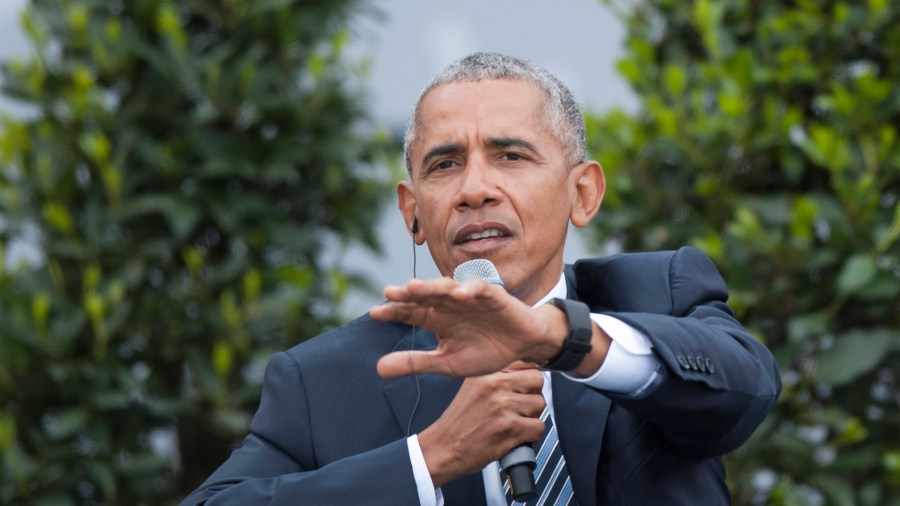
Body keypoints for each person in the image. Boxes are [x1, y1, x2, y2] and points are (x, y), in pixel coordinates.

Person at [181, 52, 781, 505]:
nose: (474, 190)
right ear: (412, 212)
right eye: (444, 165)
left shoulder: (660, 295)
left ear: (583, 192)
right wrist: (429, 458)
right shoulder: (324, 381)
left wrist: (559, 340)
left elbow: (746, 389)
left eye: (511, 156)